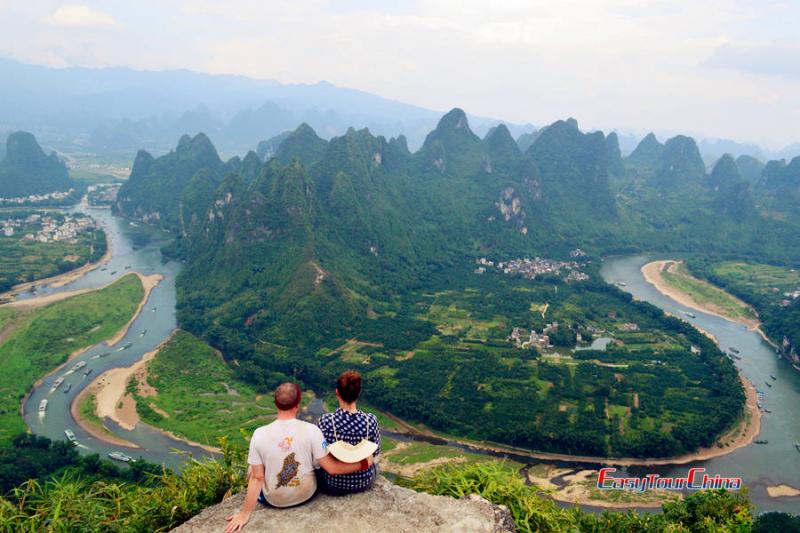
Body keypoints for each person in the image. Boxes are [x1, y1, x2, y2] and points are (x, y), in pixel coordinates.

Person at [225, 382, 373, 533]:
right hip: (306, 495)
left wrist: (245, 514)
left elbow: (257, 478)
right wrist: (363, 464)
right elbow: (331, 468)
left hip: (274, 500)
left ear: (276, 404)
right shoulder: (313, 431)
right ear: (298, 404)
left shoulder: (259, 434)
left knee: (253, 468)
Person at [317, 370, 381, 495]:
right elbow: (376, 452)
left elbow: (320, 455)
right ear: (358, 393)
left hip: (334, 484)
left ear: (337, 392)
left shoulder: (325, 421)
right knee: (374, 465)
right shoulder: (370, 421)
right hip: (363, 483)